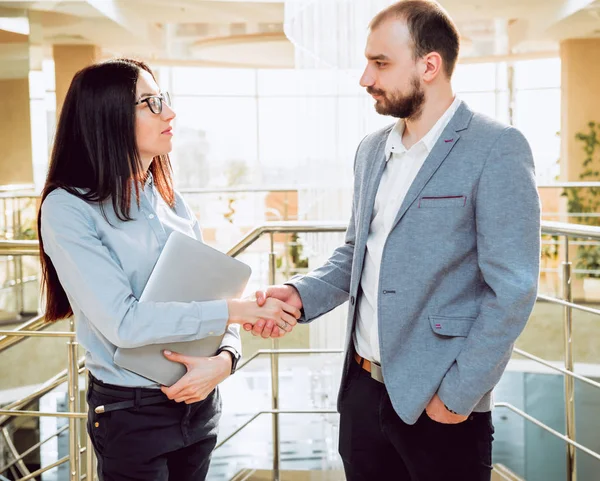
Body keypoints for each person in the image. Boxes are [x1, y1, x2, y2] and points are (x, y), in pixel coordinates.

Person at [246, 1, 541, 480]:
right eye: (367, 62)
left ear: (429, 65)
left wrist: (457, 396)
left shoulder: (497, 147)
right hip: (362, 394)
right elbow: (354, 254)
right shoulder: (370, 150)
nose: (365, 77)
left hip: (441, 402)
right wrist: (300, 293)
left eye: (380, 63)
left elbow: (514, 288)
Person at [38, 58, 300, 481]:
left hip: (199, 403)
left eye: (164, 100)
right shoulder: (68, 209)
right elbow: (123, 323)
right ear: (107, 116)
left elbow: (215, 292)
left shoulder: (170, 199)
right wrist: (237, 311)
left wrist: (226, 360)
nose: (169, 113)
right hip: (132, 415)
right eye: (151, 102)